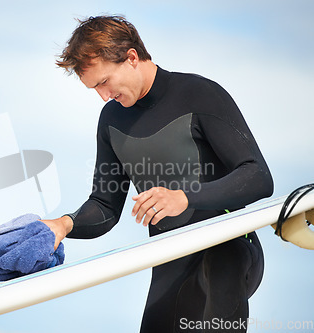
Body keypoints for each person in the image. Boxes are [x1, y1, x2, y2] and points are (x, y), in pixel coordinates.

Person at [42, 15, 273, 332]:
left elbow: (258, 176)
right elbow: (106, 207)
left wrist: (185, 197)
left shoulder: (199, 94)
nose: (103, 95)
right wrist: (64, 224)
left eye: (104, 82)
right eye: (93, 88)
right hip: (171, 263)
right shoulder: (112, 121)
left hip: (230, 249)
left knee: (221, 262)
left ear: (131, 58)